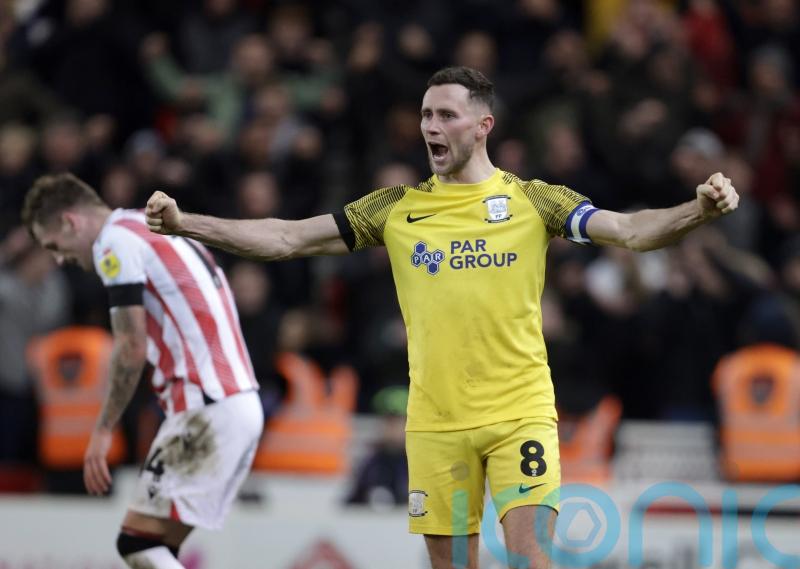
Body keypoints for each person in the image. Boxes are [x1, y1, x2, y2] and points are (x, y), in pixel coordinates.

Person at [145, 66, 739, 569]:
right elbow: (284, 238)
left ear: (483, 126)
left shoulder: (535, 200)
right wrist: (186, 224)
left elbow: (632, 230)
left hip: (519, 412)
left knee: (533, 558)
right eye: (427, 115)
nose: (431, 126)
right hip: (435, 423)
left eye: (447, 115)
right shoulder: (395, 209)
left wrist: (698, 209)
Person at [21, 173, 263, 569]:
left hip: (206, 406)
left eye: (54, 246)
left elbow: (131, 346)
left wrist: (102, 429)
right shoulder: (150, 226)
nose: (60, 258)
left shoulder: (114, 243)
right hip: (236, 402)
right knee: (155, 546)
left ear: (70, 222)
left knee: (135, 544)